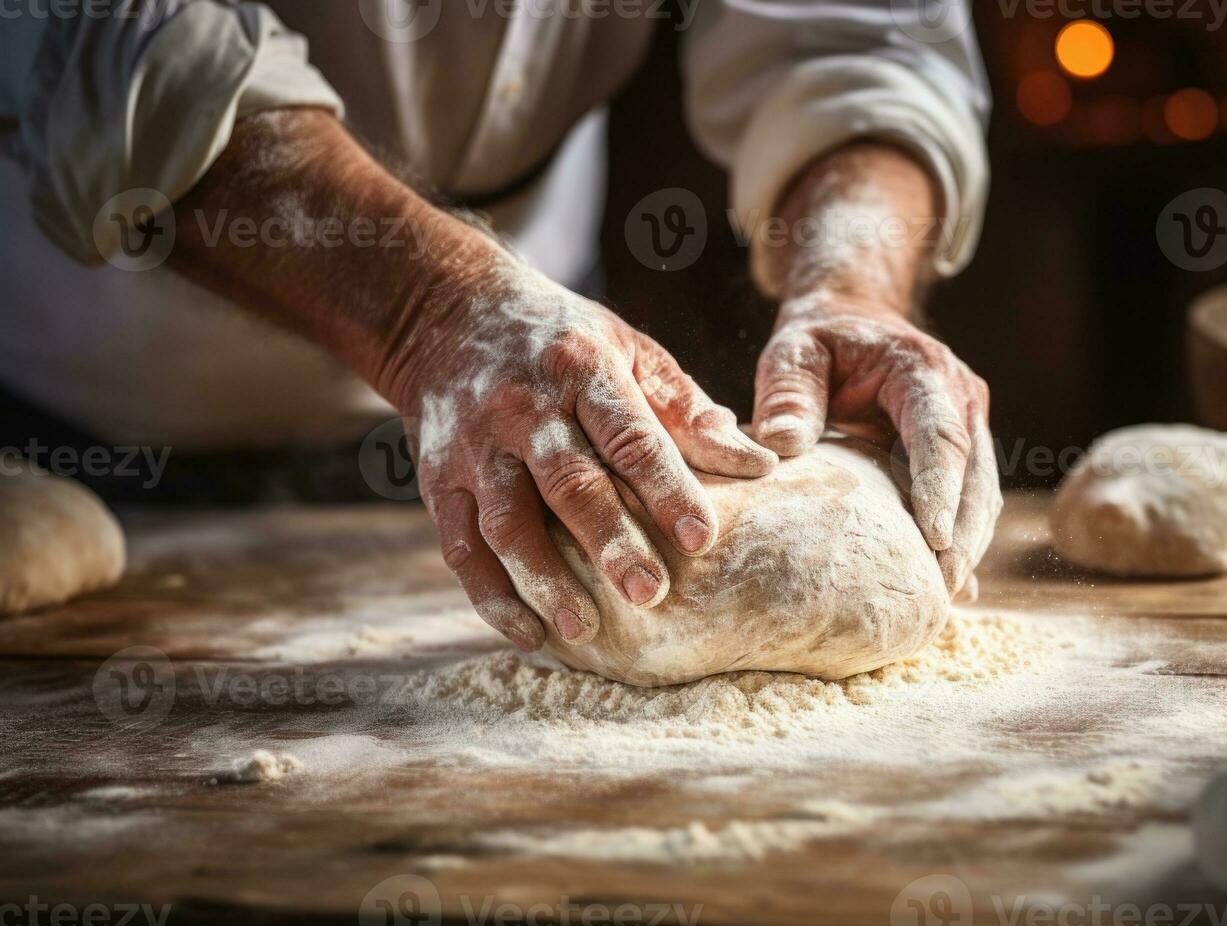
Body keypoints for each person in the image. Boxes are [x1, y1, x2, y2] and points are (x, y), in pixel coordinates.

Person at [0, 0, 1002, 653]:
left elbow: (855, 37)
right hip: (76, 420)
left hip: (517, 418)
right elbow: (118, 49)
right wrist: (434, 313)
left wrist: (852, 280)